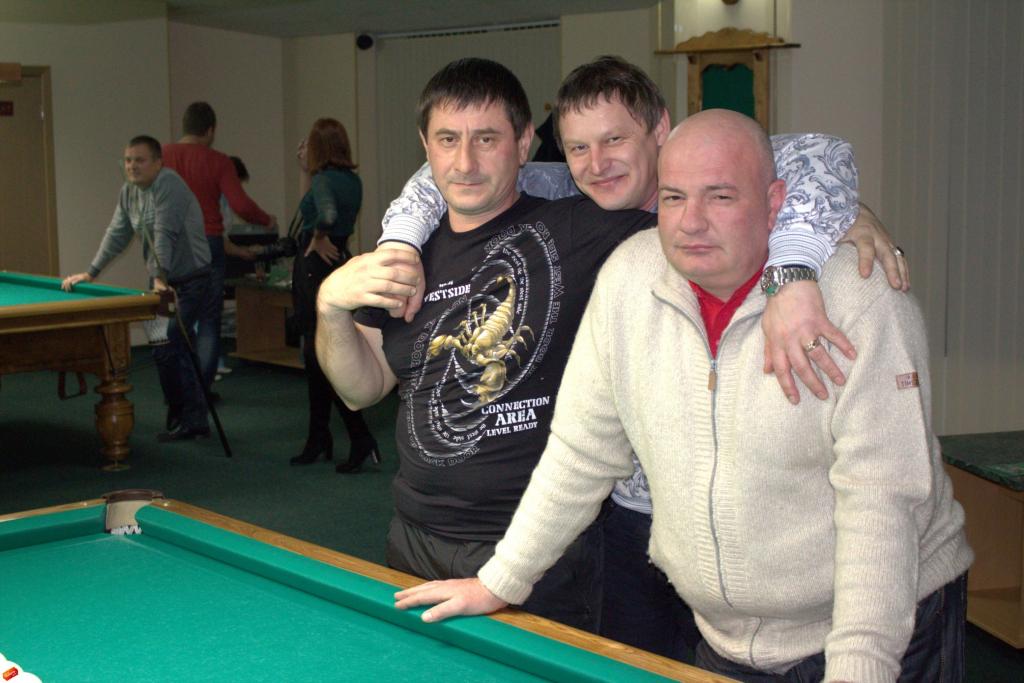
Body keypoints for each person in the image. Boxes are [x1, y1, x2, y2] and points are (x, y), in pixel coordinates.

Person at [393, 110, 974, 683]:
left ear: (775, 202)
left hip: (883, 626)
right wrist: (501, 580)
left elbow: (882, 502)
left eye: (720, 197)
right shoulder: (629, 278)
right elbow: (581, 452)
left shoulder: (859, 300)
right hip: (726, 637)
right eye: (673, 198)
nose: (691, 222)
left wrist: (860, 668)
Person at [315, 57, 868, 635]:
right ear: (425, 146)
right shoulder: (404, 254)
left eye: (487, 139)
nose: (465, 161)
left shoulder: (588, 226)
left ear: (523, 143)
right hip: (413, 533)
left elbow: (753, 174)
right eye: (448, 140)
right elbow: (361, 390)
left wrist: (828, 228)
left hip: (537, 541)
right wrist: (329, 306)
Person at [62, 135, 214, 441]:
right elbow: (117, 233)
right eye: (128, 160)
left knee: (174, 342)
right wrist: (91, 272)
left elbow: (165, 232)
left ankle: (192, 418)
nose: (132, 166)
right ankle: (181, 414)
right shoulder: (129, 191)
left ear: (158, 163)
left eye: (140, 160)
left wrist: (160, 278)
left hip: (190, 278)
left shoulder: (169, 185)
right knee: (163, 349)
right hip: (161, 280)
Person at [163, 102, 276, 392]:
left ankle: (176, 383)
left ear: (184, 126)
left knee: (175, 313)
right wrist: (266, 220)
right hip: (207, 242)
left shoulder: (162, 156)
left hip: (171, 244)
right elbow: (240, 204)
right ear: (210, 131)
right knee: (208, 319)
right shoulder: (218, 161)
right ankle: (202, 389)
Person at [288, 118, 379, 472]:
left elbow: (323, 214)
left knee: (319, 357)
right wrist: (305, 172)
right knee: (323, 355)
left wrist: (318, 237)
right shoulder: (350, 180)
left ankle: (354, 437)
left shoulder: (324, 180)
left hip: (314, 267)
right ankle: (321, 436)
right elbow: (312, 207)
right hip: (337, 262)